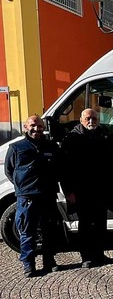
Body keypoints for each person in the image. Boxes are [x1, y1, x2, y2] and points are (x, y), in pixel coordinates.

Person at [3, 116, 62, 277]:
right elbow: (9, 170)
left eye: (40, 126)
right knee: (27, 231)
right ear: (25, 127)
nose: (37, 129)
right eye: (33, 126)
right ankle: (29, 265)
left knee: (49, 230)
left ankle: (49, 261)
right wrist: (22, 185)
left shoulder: (51, 146)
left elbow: (58, 168)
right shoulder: (16, 147)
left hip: (48, 195)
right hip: (27, 197)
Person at [61, 109, 113, 268]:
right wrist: (68, 191)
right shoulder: (72, 138)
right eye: (87, 118)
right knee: (85, 225)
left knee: (100, 223)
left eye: (94, 118)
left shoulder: (105, 135)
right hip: (81, 190)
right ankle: (86, 257)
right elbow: (64, 168)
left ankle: (99, 254)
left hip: (101, 189)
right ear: (80, 120)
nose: (91, 121)